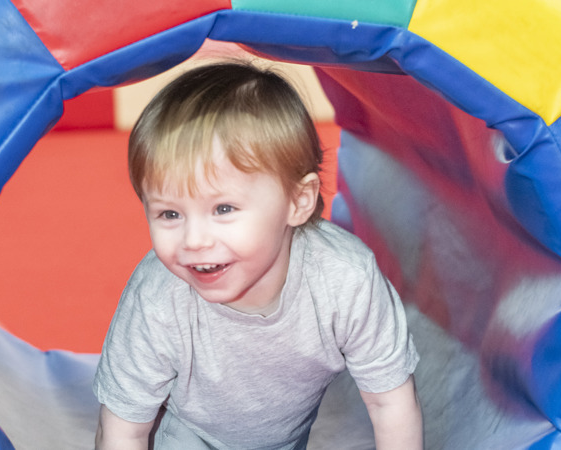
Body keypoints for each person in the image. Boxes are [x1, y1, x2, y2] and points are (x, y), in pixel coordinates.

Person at [93, 61, 422, 449]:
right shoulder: (158, 298)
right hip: (190, 434)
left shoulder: (344, 278)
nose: (194, 239)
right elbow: (122, 426)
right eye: (170, 213)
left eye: (223, 209)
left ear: (298, 202)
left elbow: (390, 402)